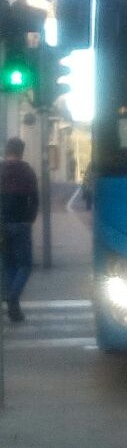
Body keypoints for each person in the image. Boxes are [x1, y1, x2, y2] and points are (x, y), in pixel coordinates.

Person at [1, 137, 39, 322]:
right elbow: (35, 199)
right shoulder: (27, 172)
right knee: (24, 265)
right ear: (21, 152)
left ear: (6, 151)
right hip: (21, 225)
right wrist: (29, 219)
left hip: (2, 225)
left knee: (9, 265)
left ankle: (14, 310)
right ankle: (12, 296)